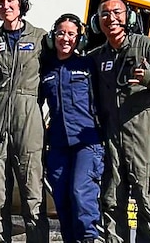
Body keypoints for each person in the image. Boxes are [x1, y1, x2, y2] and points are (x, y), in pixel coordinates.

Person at [89, 0, 150, 243]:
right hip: (111, 138)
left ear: (129, 17)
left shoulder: (146, 46)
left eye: (117, 12)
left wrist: (149, 77)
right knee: (111, 201)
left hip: (140, 137)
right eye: (105, 15)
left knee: (146, 201)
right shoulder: (97, 57)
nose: (111, 19)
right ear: (98, 22)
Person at [0, 0, 47, 243]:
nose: (5, 5)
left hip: (29, 124)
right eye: (0, 2)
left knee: (33, 198)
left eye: (10, 0)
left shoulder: (41, 39)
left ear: (22, 3)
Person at [39, 14, 104, 243]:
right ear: (52, 36)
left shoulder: (88, 66)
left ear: (80, 39)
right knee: (62, 200)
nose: (65, 39)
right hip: (58, 144)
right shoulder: (45, 69)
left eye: (71, 34)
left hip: (87, 142)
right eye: (61, 33)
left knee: (81, 194)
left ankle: (89, 239)